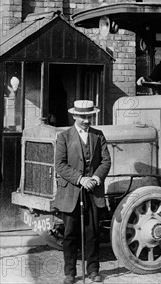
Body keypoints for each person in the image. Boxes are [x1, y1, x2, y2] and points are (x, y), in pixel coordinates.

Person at [55, 100, 111, 284]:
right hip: (71, 192)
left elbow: (105, 162)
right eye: (83, 117)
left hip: (93, 192)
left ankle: (94, 270)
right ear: (74, 116)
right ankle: (70, 273)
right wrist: (80, 179)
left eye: (89, 117)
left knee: (92, 232)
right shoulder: (64, 137)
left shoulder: (98, 135)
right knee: (70, 234)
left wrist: (95, 178)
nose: (87, 121)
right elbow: (60, 165)